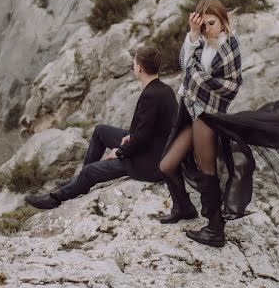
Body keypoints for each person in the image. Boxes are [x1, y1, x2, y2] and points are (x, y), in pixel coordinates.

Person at [159, 0, 279, 248]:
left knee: (208, 171)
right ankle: (183, 208)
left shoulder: (229, 45)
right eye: (204, 23)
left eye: (213, 22)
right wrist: (193, 33)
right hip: (189, 109)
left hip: (208, 114)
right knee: (167, 165)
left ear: (223, 20)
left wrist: (195, 76)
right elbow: (183, 63)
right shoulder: (200, 41)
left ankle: (215, 229)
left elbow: (231, 85)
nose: (209, 28)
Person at [25, 45, 178, 209]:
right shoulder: (165, 89)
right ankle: (80, 182)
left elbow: (143, 138)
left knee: (91, 171)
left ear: (139, 68)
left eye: (134, 63)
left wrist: (120, 151)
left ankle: (55, 199)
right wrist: (131, 137)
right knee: (100, 131)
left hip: (149, 163)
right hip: (155, 149)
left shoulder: (150, 96)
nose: (134, 66)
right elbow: (150, 130)